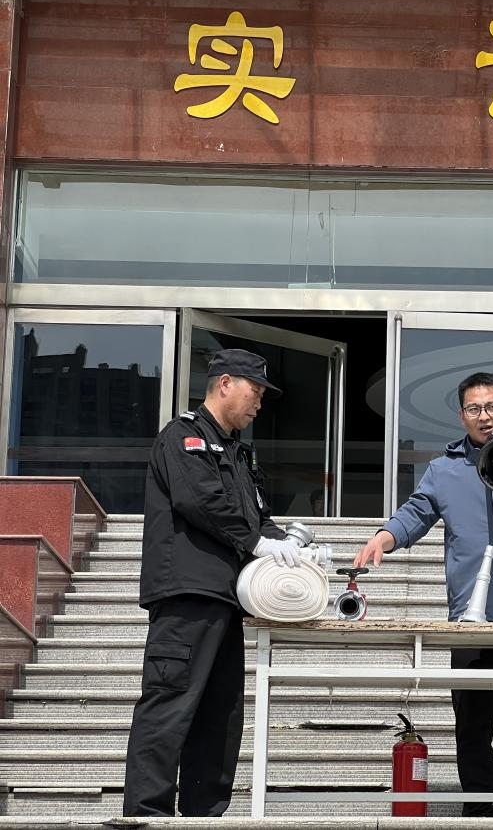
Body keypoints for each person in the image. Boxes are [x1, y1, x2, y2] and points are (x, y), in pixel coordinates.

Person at [354, 371, 493, 818]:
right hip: (471, 622)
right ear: (462, 416)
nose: (484, 416)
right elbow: (415, 513)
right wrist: (384, 537)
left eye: (492, 407)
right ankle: (478, 811)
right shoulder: (444, 469)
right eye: (474, 408)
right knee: (473, 728)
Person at [123, 349, 302, 817]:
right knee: (170, 704)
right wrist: (257, 542)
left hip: (226, 599)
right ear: (225, 384)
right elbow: (200, 501)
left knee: (221, 714)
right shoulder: (184, 437)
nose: (259, 403)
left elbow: (256, 517)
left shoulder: (240, 453)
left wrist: (289, 546)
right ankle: (147, 815)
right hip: (186, 594)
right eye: (254, 391)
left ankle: (204, 816)